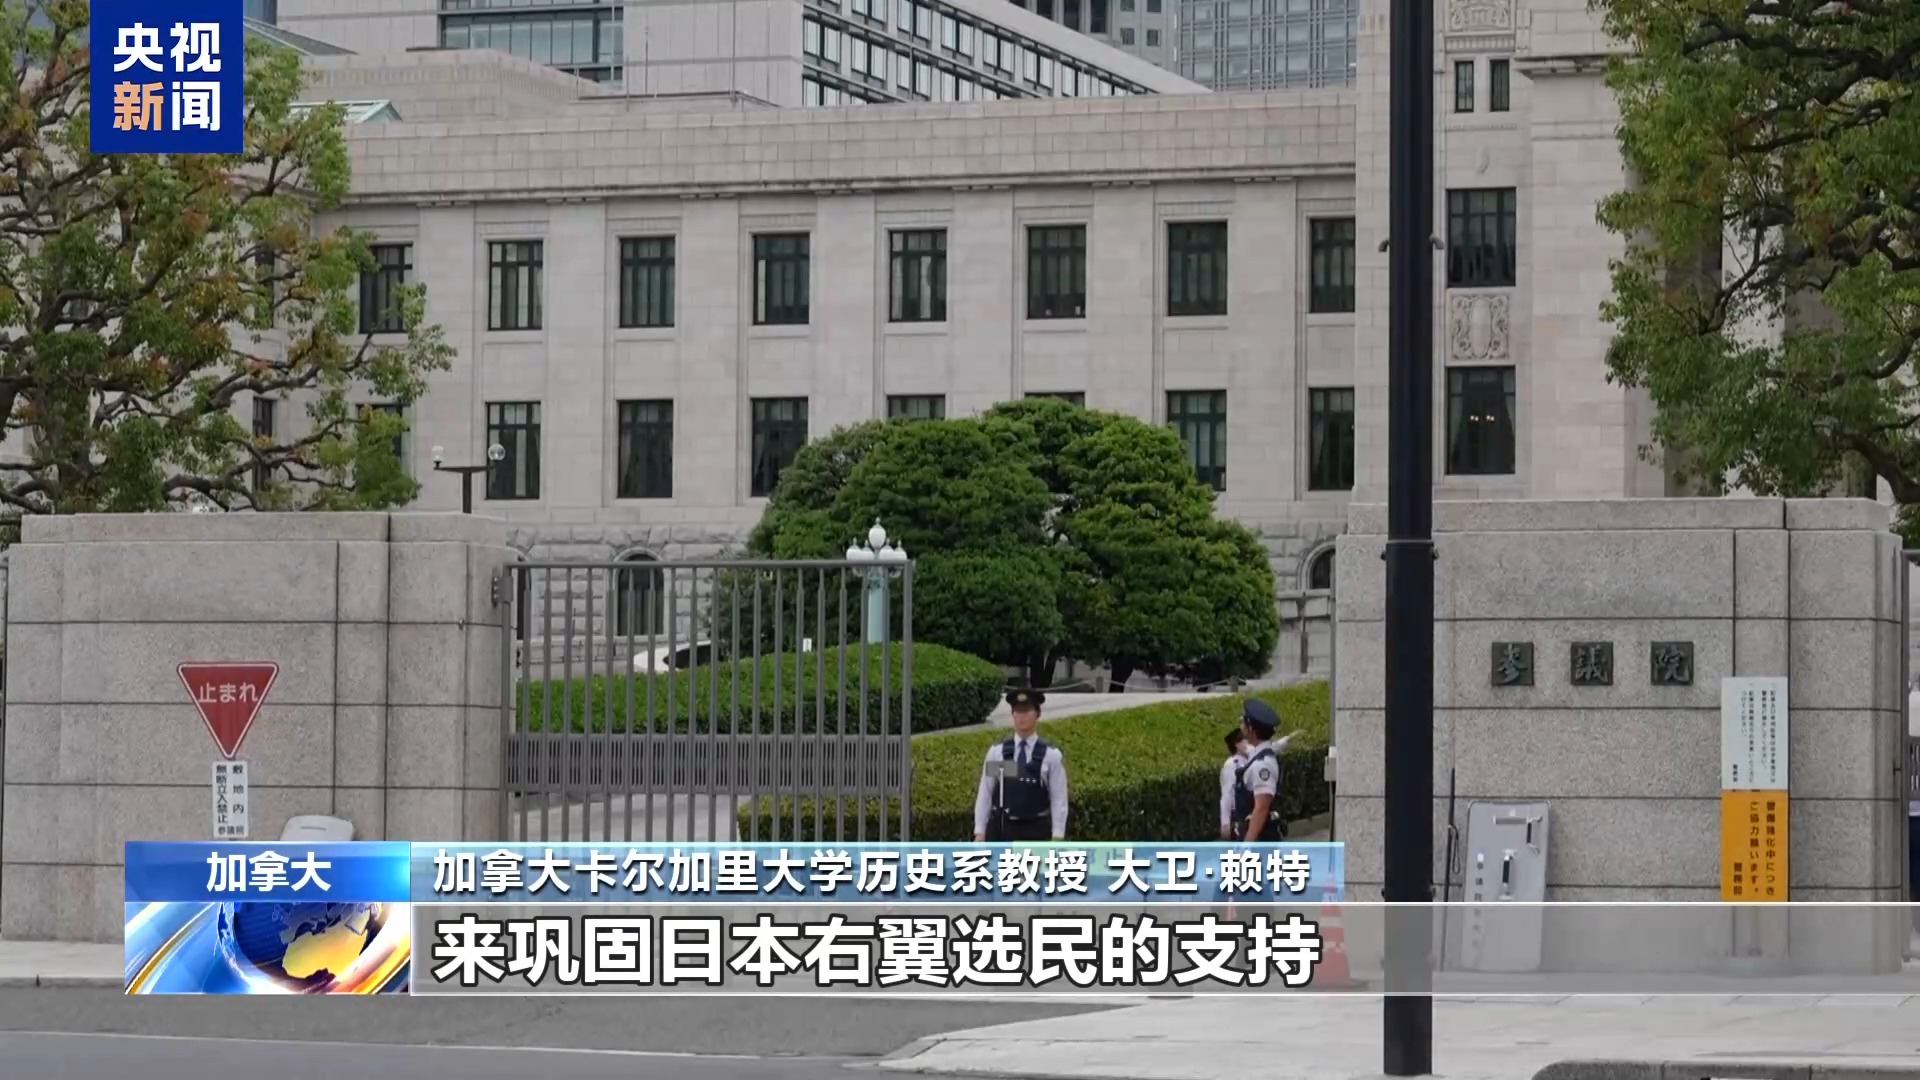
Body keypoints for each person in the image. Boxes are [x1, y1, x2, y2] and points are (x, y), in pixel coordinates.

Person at [974, 688, 1069, 841]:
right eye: (1018, 711)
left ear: (1037, 714)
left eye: (1027, 711)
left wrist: (1058, 834)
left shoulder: (1050, 755)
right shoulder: (998, 752)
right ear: (1012, 714)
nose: (1022, 716)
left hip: (1036, 829)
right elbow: (986, 791)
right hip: (1003, 829)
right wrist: (980, 831)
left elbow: (1059, 798)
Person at [1231, 698, 1296, 843]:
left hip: (1260, 841)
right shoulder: (1258, 753)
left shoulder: (1262, 766)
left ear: (1251, 729)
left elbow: (1261, 808)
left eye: (1243, 722)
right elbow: (1273, 747)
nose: (1240, 724)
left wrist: (1246, 847)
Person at [1218, 727, 1248, 840]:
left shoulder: (1251, 760)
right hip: (1239, 814)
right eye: (1245, 739)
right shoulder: (1231, 765)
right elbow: (1227, 794)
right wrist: (1225, 822)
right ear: (1237, 744)